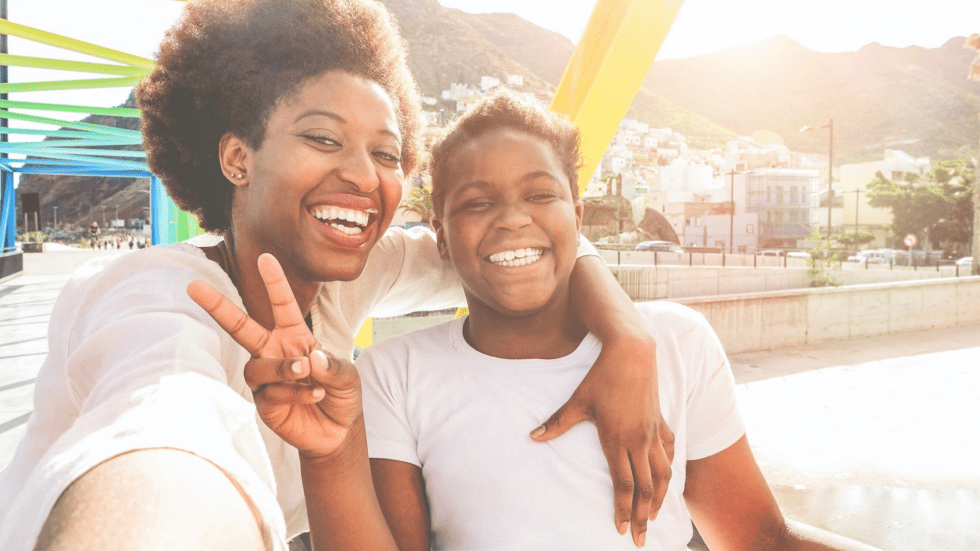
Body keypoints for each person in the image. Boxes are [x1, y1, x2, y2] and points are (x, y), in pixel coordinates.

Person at [0, 1, 671, 550]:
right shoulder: (151, 296)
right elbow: (161, 431)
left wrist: (629, 341)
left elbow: (515, 243)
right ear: (238, 157)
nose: (362, 173)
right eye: (323, 139)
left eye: (385, 152)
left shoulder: (351, 276)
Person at [352, 90, 881, 550]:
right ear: (440, 234)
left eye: (540, 194)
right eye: (477, 202)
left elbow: (760, 541)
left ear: (577, 218)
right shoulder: (392, 375)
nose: (513, 217)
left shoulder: (679, 342)